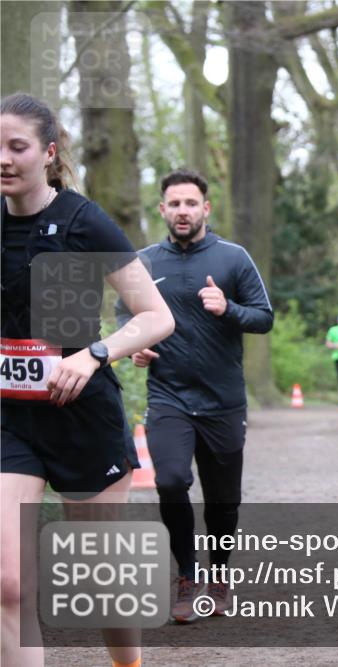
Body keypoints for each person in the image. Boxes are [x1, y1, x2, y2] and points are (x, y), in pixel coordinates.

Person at [1, 93, 175, 667]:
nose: (3, 158)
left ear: (48, 153)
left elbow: (156, 317)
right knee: (7, 583)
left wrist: (94, 354)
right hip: (10, 420)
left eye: (16, 147)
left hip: (81, 417)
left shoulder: (82, 220)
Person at [115, 169, 273, 624]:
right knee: (169, 481)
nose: (182, 211)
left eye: (190, 203)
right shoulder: (143, 263)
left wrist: (229, 309)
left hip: (223, 401)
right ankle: (186, 575)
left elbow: (264, 318)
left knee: (224, 501)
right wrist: (135, 345)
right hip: (169, 398)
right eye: (174, 204)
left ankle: (219, 577)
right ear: (162, 210)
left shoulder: (233, 258)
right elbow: (125, 315)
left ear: (206, 208)